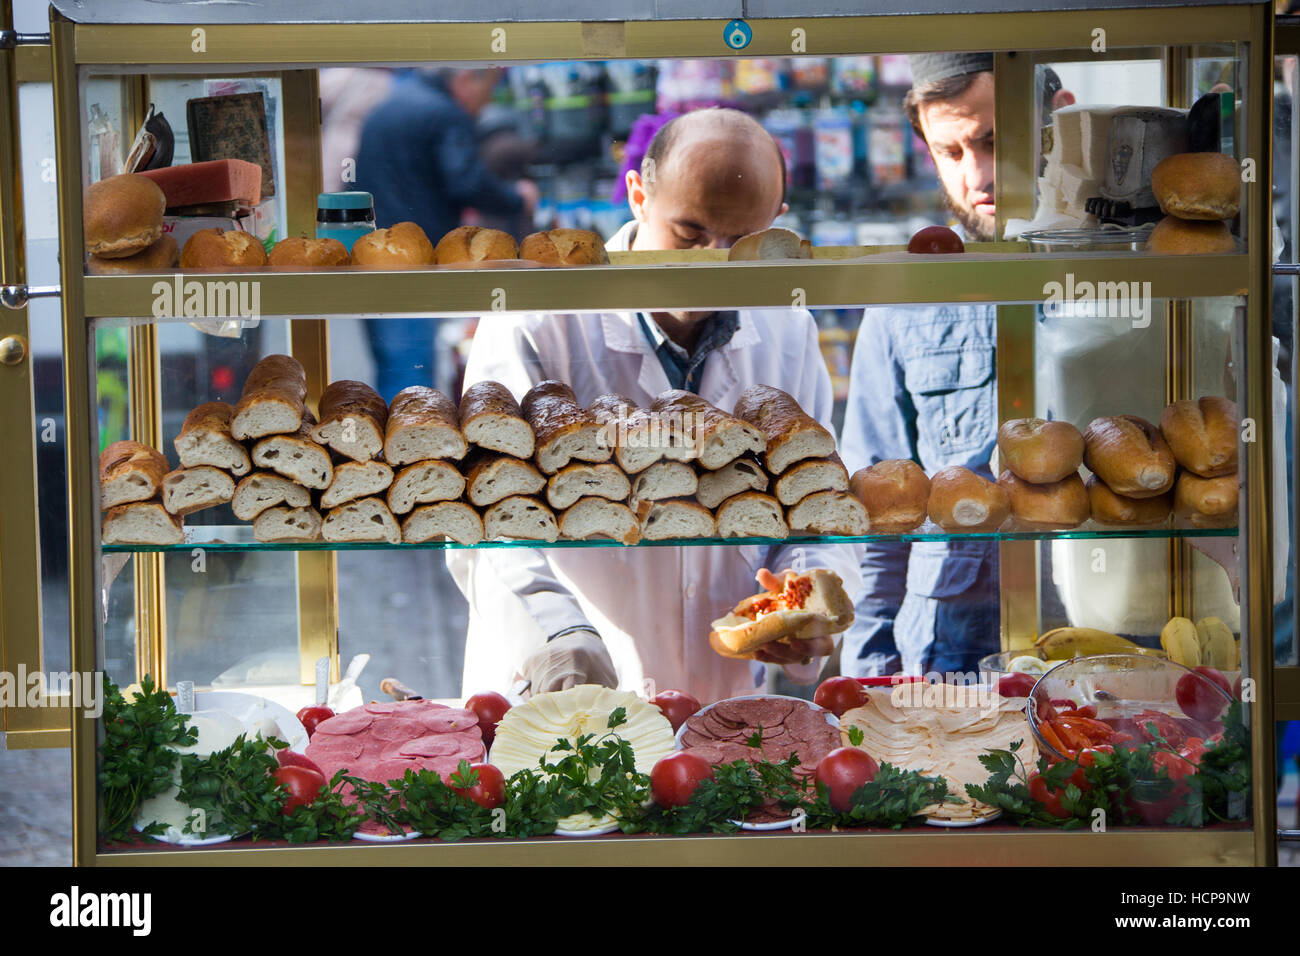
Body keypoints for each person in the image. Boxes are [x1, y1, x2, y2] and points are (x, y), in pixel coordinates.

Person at [447, 108, 861, 703]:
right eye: (690, 235)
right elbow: (489, 515)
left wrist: (803, 597)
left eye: (740, 244)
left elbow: (814, 502)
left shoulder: (788, 328)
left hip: (721, 696)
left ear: (776, 226)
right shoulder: (540, 320)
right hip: (564, 687)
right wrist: (558, 632)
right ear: (638, 195)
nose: (711, 266)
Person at [839, 53, 1002, 679]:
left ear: (1055, 122)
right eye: (951, 152)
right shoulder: (906, 299)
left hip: (1106, 644)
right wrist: (865, 688)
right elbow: (875, 519)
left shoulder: (1124, 276)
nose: (976, 176)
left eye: (991, 142)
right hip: (945, 658)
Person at [354, 68, 539, 400]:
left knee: (395, 367)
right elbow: (465, 180)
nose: (488, 103)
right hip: (411, 265)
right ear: (468, 80)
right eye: (490, 90)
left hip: (375, 256)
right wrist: (515, 197)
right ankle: (413, 445)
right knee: (411, 372)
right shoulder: (445, 114)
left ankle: (396, 440)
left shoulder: (395, 103)